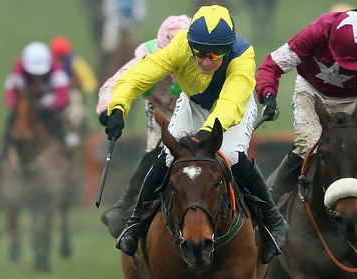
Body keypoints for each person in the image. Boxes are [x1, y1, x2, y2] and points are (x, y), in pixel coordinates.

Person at [103, 5, 289, 264]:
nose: (206, 61)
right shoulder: (181, 45)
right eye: (199, 52)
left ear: (228, 48)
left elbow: (230, 103)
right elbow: (138, 76)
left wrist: (205, 134)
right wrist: (117, 109)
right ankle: (134, 222)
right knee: (168, 156)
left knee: (231, 156)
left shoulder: (243, 55)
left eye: (215, 54)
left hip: (233, 106)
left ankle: (273, 221)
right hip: (192, 103)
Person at [255, 8, 357, 231]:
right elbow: (272, 65)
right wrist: (268, 95)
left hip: (352, 100)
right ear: (329, 39)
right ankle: (270, 204)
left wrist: (355, 121)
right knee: (306, 145)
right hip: (311, 92)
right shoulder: (315, 32)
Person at [96, 14, 192, 238]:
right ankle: (127, 206)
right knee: (157, 151)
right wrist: (109, 110)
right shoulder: (147, 56)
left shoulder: (203, 56)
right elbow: (117, 82)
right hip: (159, 108)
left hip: (193, 106)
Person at [3, 41, 71, 149]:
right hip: (29, 97)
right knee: (14, 117)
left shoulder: (56, 68)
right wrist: (16, 106)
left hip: (48, 98)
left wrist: (49, 107)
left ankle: (63, 143)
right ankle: (4, 145)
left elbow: (63, 97)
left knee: (55, 118)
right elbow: (11, 93)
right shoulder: (19, 67)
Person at [49, 36, 98, 151]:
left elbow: (89, 81)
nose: (60, 59)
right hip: (54, 93)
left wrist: (78, 85)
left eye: (62, 56)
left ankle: (74, 132)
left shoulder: (75, 61)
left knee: (76, 104)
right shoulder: (49, 62)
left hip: (71, 93)